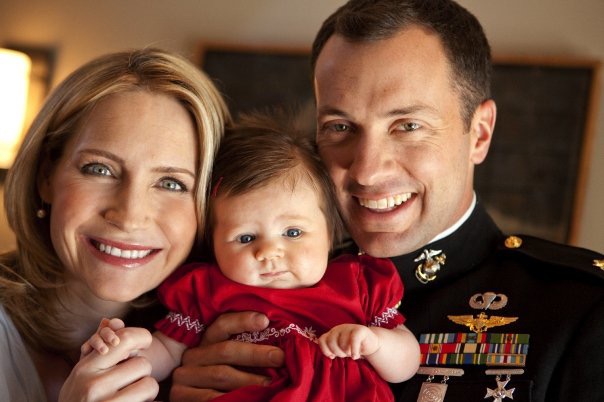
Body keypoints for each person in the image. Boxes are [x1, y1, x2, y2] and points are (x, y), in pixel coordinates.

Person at [169, 1, 604, 402]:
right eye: (340, 127)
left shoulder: (579, 310)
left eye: (408, 125)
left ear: (480, 133)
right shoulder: (236, 278)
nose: (367, 171)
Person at [83, 112, 420, 401]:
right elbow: (167, 354)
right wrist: (128, 350)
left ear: (331, 232)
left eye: (292, 233)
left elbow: (406, 366)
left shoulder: (358, 285)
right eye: (245, 238)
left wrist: (374, 342)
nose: (268, 252)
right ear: (213, 243)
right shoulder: (208, 291)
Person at [0, 47, 230, 402]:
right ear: (47, 176)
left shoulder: (224, 359)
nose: (129, 215)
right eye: (100, 169)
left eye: (171, 183)